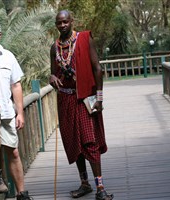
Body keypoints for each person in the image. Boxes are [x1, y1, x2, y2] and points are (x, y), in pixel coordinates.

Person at [50, 10, 114, 200]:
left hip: (85, 98)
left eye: (65, 22)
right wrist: (51, 77)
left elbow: (97, 68)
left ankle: (100, 187)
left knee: (90, 141)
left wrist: (100, 98)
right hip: (66, 100)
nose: (62, 25)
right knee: (74, 143)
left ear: (71, 21)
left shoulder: (85, 39)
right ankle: (84, 183)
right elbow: (53, 74)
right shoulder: (54, 48)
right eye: (59, 23)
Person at [0, 21, 33, 200]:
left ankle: (21, 193)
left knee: (14, 152)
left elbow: (16, 85)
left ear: (0, 35)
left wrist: (20, 113)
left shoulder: (8, 56)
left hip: (7, 111)